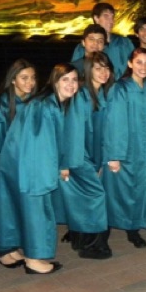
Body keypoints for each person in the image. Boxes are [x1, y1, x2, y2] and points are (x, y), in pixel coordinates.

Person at [0, 63, 79, 274]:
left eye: (74, 79)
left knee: (25, 210)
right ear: (55, 81)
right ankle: (33, 260)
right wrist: (48, 175)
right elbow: (40, 145)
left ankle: (21, 252)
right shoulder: (46, 106)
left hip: (21, 165)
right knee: (37, 212)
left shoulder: (49, 102)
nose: (71, 84)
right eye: (65, 79)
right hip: (32, 168)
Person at [0, 59, 37, 267]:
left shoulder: (32, 103)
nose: (30, 82)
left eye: (32, 78)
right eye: (24, 78)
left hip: (19, 170)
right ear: (12, 80)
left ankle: (11, 247)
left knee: (12, 210)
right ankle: (4, 251)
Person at [60, 52, 115, 259]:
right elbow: (73, 133)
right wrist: (71, 163)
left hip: (92, 156)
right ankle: (92, 245)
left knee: (85, 199)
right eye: (98, 68)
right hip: (79, 157)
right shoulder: (81, 96)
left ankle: (81, 239)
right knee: (96, 197)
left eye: (106, 68)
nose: (103, 72)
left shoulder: (102, 93)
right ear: (88, 70)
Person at [102, 48, 146, 249]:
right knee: (125, 190)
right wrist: (114, 156)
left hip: (145, 149)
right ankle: (130, 229)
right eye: (139, 62)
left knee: (140, 188)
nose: (143, 67)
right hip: (127, 149)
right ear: (130, 63)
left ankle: (138, 223)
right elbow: (115, 123)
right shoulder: (121, 88)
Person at [71, 3, 134, 80]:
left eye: (112, 17)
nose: (111, 21)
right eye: (106, 16)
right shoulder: (82, 48)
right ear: (96, 18)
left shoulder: (124, 43)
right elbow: (74, 73)